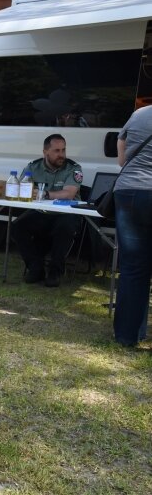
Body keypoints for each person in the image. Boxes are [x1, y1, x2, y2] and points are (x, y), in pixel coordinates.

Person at [10, 133, 83, 287]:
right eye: (57, 151)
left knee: (64, 228)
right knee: (18, 226)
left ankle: (55, 272)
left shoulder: (74, 168)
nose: (61, 155)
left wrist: (46, 194)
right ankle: (35, 268)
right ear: (45, 152)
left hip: (67, 213)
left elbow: (69, 194)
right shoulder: (33, 167)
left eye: (63, 150)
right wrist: (29, 191)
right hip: (42, 213)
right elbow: (23, 188)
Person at [112, 104, 152, 347]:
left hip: (128, 191)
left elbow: (121, 157)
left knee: (133, 268)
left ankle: (127, 336)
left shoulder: (139, 113)